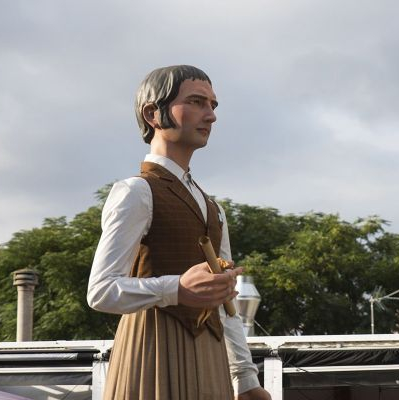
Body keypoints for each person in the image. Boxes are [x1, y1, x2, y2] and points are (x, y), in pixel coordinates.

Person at [87, 65, 271, 400]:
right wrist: (177, 288)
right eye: (198, 102)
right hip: (153, 352)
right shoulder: (136, 192)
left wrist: (246, 379)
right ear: (152, 113)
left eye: (213, 106)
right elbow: (100, 291)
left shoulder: (214, 209)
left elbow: (225, 300)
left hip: (211, 357)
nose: (210, 116)